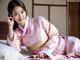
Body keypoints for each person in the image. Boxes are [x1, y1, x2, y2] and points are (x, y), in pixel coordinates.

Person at [7, 0, 80, 59]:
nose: (20, 16)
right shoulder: (16, 33)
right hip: (51, 54)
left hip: (67, 44)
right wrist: (10, 27)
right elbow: (15, 49)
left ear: (25, 11)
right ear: (11, 16)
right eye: (16, 14)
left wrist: (45, 51)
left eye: (22, 12)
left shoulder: (39, 21)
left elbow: (54, 34)